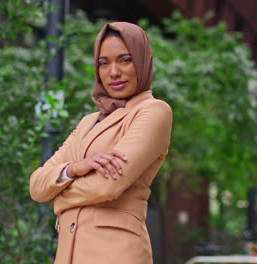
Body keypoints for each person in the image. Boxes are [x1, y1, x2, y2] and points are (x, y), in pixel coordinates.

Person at [29, 22, 172, 264]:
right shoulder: (89, 122)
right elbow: (36, 185)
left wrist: (58, 197)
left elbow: (107, 187)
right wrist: (74, 168)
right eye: (103, 63)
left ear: (142, 61)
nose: (113, 72)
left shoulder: (153, 111)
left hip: (115, 254)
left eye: (125, 60)